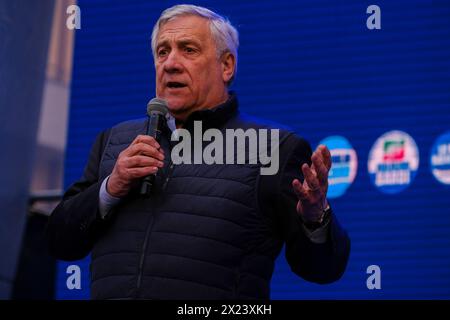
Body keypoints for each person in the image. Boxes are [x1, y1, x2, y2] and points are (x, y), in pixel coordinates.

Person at [47, 4, 350, 300]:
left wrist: (314, 218)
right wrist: (110, 189)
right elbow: (60, 242)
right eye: (162, 52)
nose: (170, 63)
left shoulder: (275, 149)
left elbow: (322, 269)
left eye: (188, 50)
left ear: (226, 65)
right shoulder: (114, 142)